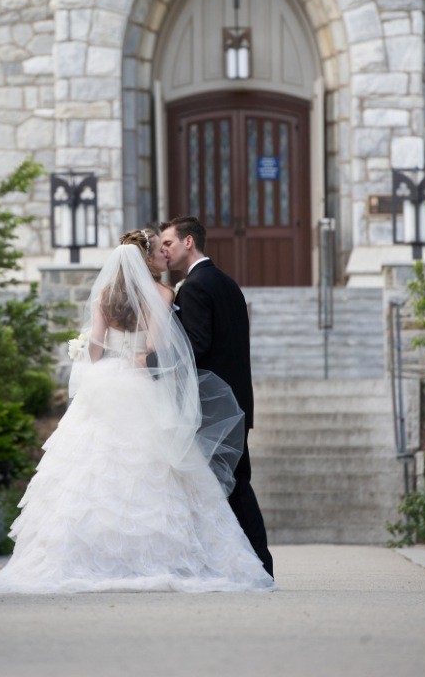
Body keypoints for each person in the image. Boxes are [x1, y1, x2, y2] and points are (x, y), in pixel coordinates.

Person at [0, 229, 274, 594]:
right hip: (143, 387)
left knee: (90, 471)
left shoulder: (104, 297)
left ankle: (89, 558)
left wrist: (93, 351)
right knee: (158, 471)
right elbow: (160, 350)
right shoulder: (163, 295)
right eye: (159, 250)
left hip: (105, 387)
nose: (164, 253)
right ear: (147, 260)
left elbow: (94, 353)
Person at [159, 216, 274, 578]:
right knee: (235, 484)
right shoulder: (226, 283)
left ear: (188, 242)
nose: (164, 250)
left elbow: (196, 346)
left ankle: (251, 566)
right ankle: (252, 564)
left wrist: (150, 360)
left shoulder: (194, 287)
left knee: (226, 487)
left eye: (169, 244)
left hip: (214, 406)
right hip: (236, 402)